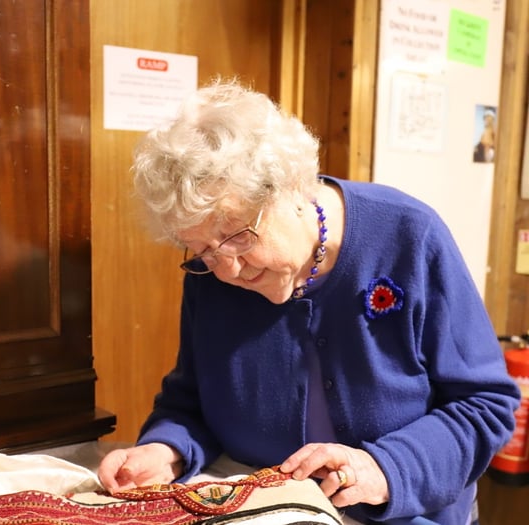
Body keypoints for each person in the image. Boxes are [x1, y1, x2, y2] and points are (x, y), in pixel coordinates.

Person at [98, 79, 520, 524]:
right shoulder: (213, 273)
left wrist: (384, 469)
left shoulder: (409, 237)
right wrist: (165, 451)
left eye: (238, 237)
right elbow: (190, 403)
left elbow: (484, 406)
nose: (227, 269)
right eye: (200, 249)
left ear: (293, 189)